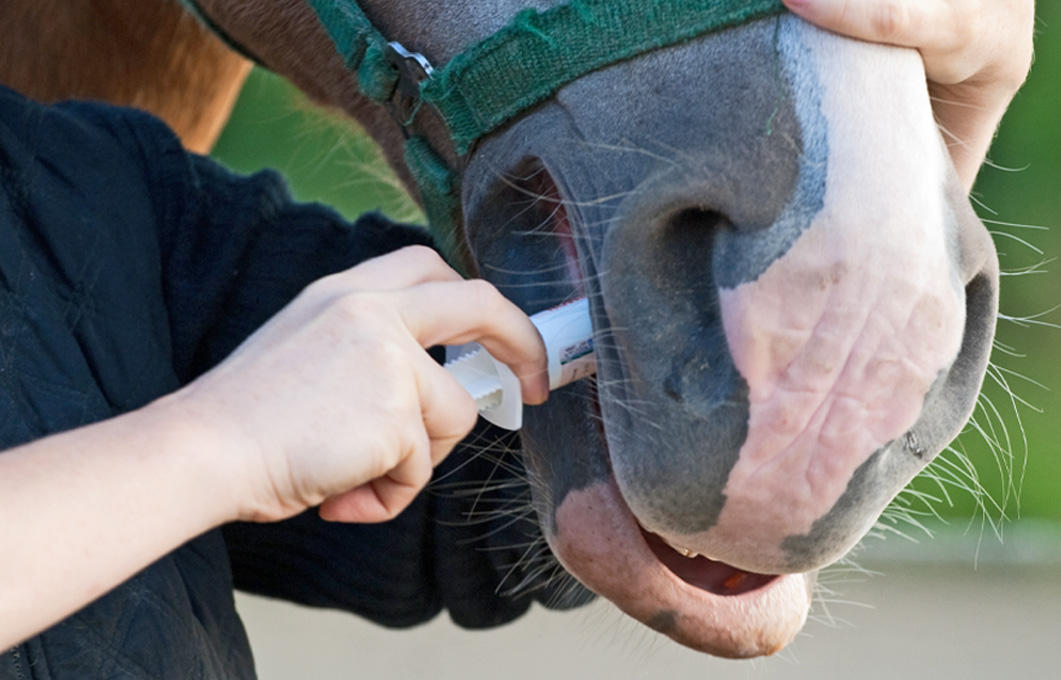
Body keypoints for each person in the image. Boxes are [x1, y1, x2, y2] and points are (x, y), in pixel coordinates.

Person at [0, 0, 1035, 676]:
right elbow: (248, 431)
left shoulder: (81, 203)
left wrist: (885, 175)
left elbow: (487, 472)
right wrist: (214, 448)